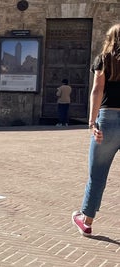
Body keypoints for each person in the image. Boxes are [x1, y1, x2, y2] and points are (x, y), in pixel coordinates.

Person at [72, 24, 120, 237]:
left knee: (97, 175)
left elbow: (97, 89)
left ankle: (87, 220)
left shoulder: (103, 59)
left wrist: (92, 122)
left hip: (108, 119)